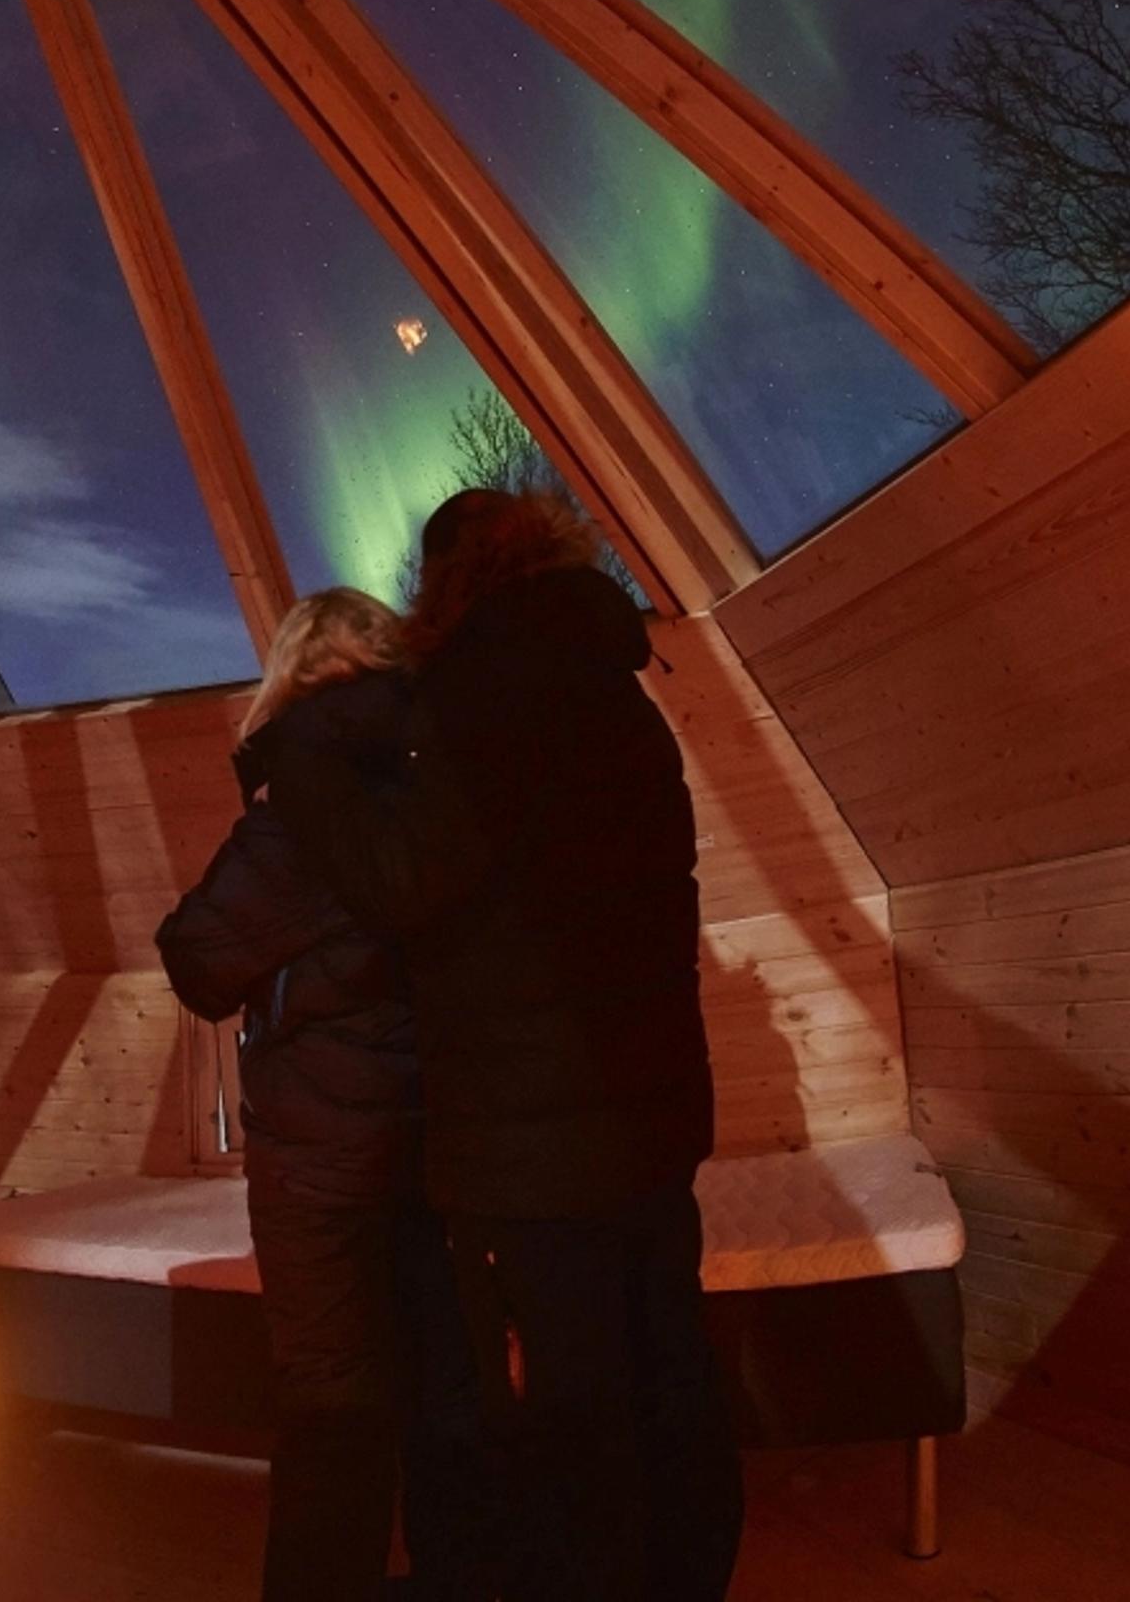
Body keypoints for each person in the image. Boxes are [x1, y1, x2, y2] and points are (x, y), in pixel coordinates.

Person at [269, 490, 740, 1602]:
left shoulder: (487, 696)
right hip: (652, 1115)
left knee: (567, 1421)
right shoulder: (618, 697)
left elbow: (402, 881)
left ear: (446, 582)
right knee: (670, 1378)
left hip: (532, 1160)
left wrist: (302, 754)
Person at [157, 591, 491, 1600]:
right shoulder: (448, 786)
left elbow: (201, 962)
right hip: (446, 1147)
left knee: (333, 1411)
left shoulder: (300, 804)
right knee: (449, 1398)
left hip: (319, 1166)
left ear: (296, 676)